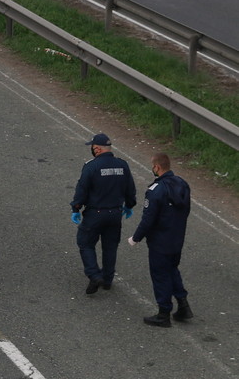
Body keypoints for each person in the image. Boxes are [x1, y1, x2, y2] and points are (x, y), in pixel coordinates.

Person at [129, 152, 192, 327]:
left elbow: (148, 219)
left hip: (160, 242)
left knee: (160, 275)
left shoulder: (155, 191)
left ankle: (164, 313)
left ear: (156, 167)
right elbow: (186, 211)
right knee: (172, 270)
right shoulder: (182, 185)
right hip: (177, 239)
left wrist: (136, 238)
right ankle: (183, 305)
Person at [70, 133, 137, 295]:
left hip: (95, 213)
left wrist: (76, 208)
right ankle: (107, 280)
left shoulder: (91, 166)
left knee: (85, 243)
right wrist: (129, 205)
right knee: (110, 246)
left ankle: (94, 275)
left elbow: (82, 190)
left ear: (97, 149)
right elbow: (130, 189)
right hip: (115, 213)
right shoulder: (123, 165)